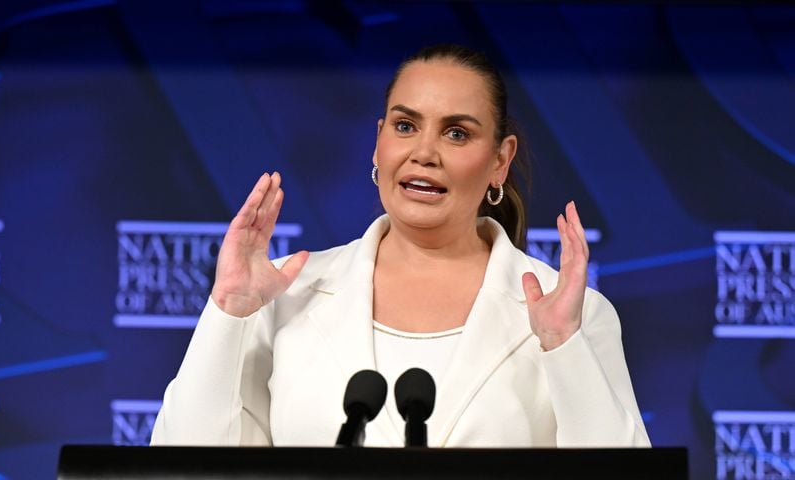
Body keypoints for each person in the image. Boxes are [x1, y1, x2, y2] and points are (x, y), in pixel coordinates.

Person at [150, 45, 650, 448]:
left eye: (457, 133)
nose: (424, 153)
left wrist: (564, 346)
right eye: (405, 126)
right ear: (378, 143)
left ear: (500, 161)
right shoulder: (281, 294)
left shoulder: (570, 313)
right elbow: (185, 462)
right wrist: (230, 311)